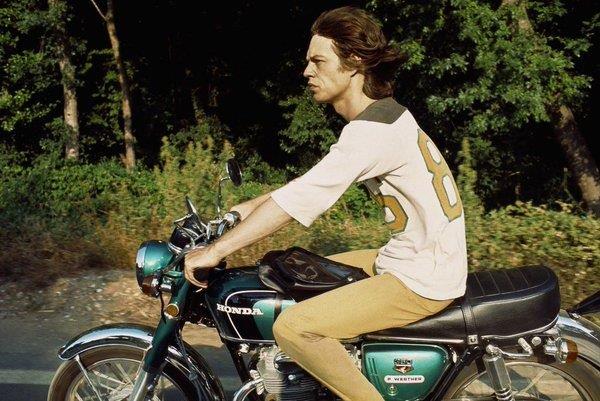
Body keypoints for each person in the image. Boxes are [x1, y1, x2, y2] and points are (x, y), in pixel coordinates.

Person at [184, 6, 467, 401]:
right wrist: (237, 213)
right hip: (416, 256)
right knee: (294, 276)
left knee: (295, 327)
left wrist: (216, 250)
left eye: (318, 61)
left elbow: (300, 200)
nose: (306, 72)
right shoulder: (385, 117)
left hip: (422, 277)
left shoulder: (370, 133)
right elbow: (306, 185)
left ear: (352, 64)